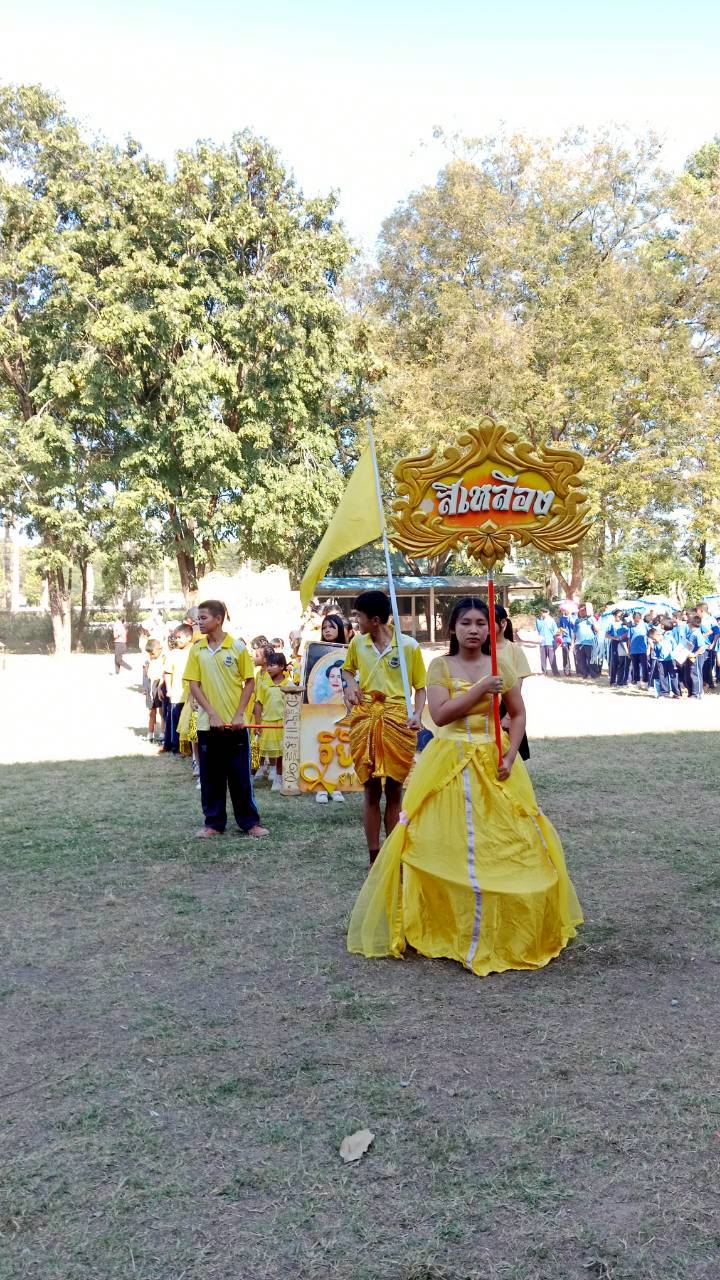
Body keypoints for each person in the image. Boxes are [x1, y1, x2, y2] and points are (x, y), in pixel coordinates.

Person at [347, 597, 582, 976]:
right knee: (443, 839)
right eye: (466, 623)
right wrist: (479, 690)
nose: (474, 630)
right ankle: (444, 922)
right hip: (449, 759)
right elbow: (440, 715)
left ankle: (500, 924)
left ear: (492, 628)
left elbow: (518, 713)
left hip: (493, 760)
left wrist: (510, 755)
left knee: (503, 839)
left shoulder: (501, 665)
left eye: (481, 623)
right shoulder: (441, 666)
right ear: (452, 629)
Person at [342, 590, 426, 867]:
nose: (356, 621)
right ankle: (374, 857)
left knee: (394, 789)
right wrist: (351, 686)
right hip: (365, 719)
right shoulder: (358, 643)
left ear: (375, 620)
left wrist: (417, 714)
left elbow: (420, 687)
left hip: (397, 721)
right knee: (370, 789)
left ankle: (392, 857)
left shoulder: (409, 646)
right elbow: (347, 670)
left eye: (359, 616)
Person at [185, 600, 268, 840]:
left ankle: (250, 823)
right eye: (198, 618)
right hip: (207, 726)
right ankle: (213, 823)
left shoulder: (238, 647)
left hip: (236, 726)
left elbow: (249, 681)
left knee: (240, 777)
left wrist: (239, 713)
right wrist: (211, 713)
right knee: (211, 778)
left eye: (203, 618)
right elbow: (193, 684)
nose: (199, 622)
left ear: (218, 619)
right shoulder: (197, 650)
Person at [495, 604, 532, 761]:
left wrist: (509, 716)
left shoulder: (514, 650)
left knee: (511, 758)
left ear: (503, 623)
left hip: (507, 707)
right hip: (486, 708)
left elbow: (517, 685)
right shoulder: (480, 649)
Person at [253, 651, 291, 791]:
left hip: (281, 724)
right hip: (266, 722)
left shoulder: (289, 685)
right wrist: (257, 723)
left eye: (272, 665)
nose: (268, 668)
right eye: (268, 665)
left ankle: (279, 777)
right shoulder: (263, 683)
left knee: (280, 753)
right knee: (259, 750)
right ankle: (252, 775)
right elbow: (258, 703)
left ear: (282, 667)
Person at [163, 624, 194, 754]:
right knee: (176, 722)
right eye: (175, 638)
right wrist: (169, 689)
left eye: (179, 637)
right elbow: (167, 672)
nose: (177, 640)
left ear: (189, 637)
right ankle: (177, 747)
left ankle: (192, 749)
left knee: (190, 722)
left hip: (192, 695)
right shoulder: (173, 654)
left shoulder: (196, 650)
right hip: (177, 694)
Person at [143, 638, 166, 743]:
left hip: (159, 685)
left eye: (152, 653)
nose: (151, 656)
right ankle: (150, 733)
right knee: (151, 712)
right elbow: (145, 674)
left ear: (159, 649)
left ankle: (163, 733)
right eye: (149, 654)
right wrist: (145, 687)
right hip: (150, 685)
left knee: (162, 711)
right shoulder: (147, 660)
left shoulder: (164, 658)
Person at [574, 605, 598, 679]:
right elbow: (574, 632)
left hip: (589, 642)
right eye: (580, 611)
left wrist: (592, 620)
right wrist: (573, 643)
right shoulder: (577, 621)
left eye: (583, 610)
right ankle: (584, 674)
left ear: (586, 611)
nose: (581, 612)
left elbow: (597, 629)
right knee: (581, 660)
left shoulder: (591, 619)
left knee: (591, 659)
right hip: (579, 643)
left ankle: (594, 674)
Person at [535, 606, 559, 675]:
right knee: (543, 658)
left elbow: (555, 632)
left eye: (545, 612)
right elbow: (536, 631)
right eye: (542, 612)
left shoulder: (552, 621)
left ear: (548, 612)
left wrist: (556, 641)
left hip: (550, 642)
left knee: (552, 658)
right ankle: (544, 672)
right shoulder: (538, 621)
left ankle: (555, 672)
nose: (543, 613)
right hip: (542, 642)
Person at [628, 611, 649, 686]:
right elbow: (629, 639)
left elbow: (650, 637)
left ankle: (646, 681)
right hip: (633, 650)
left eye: (638, 620)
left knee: (644, 666)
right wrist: (629, 650)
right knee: (635, 666)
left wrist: (649, 648)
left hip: (643, 650)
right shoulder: (631, 627)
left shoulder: (645, 626)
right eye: (635, 620)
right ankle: (636, 680)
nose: (636, 622)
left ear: (640, 619)